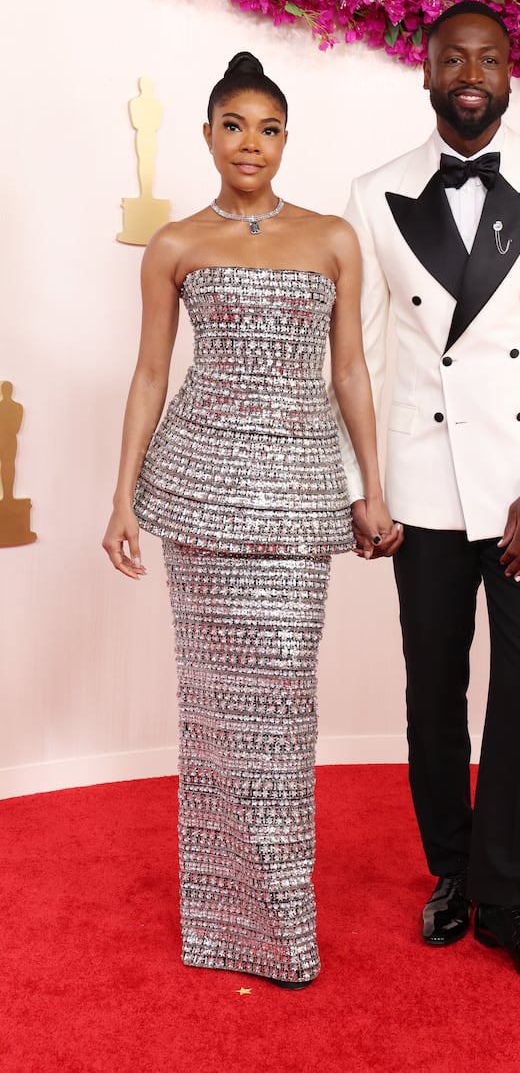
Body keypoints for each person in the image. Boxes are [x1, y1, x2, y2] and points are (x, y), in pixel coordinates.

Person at [102, 52, 401, 989]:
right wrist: (123, 497)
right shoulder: (177, 245)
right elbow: (151, 373)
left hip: (298, 497)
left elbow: (349, 372)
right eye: (234, 125)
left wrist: (371, 488)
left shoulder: (333, 240)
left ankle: (280, 923)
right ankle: (221, 926)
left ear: (285, 140)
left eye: (268, 128)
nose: (251, 144)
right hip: (199, 494)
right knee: (211, 713)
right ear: (206, 135)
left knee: (280, 709)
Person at [336, 1, 520, 990]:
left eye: (487, 57)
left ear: (509, 74)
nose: (469, 71)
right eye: (450, 57)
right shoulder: (373, 194)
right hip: (419, 487)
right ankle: (451, 872)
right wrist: (362, 489)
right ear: (424, 74)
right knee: (431, 689)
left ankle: (505, 899)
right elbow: (362, 355)